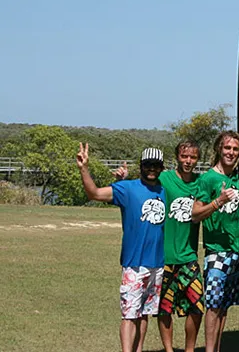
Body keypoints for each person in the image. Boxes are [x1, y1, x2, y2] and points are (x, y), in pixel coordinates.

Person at [114, 141, 206, 352]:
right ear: (177, 158)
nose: (188, 161)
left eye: (193, 157)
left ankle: (190, 349)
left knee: (197, 306)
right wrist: (122, 181)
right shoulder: (163, 178)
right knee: (164, 308)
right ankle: (169, 349)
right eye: (184, 156)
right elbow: (140, 189)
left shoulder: (200, 183)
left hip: (188, 255)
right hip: (160, 258)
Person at [77, 144, 166, 352]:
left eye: (156, 165)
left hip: (157, 264)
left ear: (162, 168)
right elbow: (95, 194)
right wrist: (84, 168)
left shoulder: (164, 189)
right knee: (129, 315)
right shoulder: (127, 188)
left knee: (144, 313)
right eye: (147, 165)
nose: (152, 169)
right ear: (141, 166)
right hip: (134, 265)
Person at [192, 131, 239, 352]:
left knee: (224, 307)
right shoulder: (208, 179)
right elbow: (195, 214)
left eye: (235, 149)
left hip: (237, 252)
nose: (231, 152)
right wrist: (218, 201)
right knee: (213, 305)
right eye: (227, 148)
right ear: (218, 149)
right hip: (216, 253)